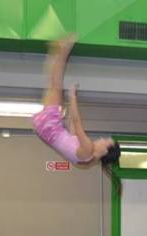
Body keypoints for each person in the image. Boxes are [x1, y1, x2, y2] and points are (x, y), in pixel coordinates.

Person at [33, 35, 119, 166]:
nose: (101, 139)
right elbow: (73, 132)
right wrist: (67, 107)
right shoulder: (86, 159)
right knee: (54, 86)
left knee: (56, 85)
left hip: (51, 128)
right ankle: (57, 51)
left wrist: (72, 97)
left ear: (104, 151)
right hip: (47, 129)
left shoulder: (88, 150)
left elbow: (77, 123)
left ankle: (63, 48)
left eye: (105, 141)